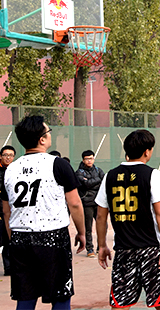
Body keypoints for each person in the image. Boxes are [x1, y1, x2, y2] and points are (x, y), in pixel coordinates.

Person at [1, 116, 86, 309]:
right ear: (42, 139)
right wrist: (81, 232)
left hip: (20, 237)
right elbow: (74, 203)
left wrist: (14, 238)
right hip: (53, 237)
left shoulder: (11, 169)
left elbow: (6, 211)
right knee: (60, 295)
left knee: (25, 296)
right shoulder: (58, 164)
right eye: (49, 132)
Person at [95, 129, 160, 310]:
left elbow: (100, 216)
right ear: (147, 151)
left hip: (123, 249)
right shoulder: (153, 175)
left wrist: (102, 245)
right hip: (151, 250)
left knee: (121, 304)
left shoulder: (109, 176)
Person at [76, 149, 105, 258]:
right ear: (83, 160)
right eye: (87, 159)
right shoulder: (79, 172)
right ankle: (90, 249)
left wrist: (91, 182)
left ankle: (100, 247)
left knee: (102, 226)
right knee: (88, 227)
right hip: (87, 202)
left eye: (91, 158)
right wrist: (97, 180)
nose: (89, 160)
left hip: (98, 202)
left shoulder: (98, 170)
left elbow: (103, 182)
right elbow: (86, 184)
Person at [0, 145, 15, 276]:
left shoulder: (15, 171)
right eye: (5, 155)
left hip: (10, 212)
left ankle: (9, 267)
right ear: (0, 156)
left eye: (10, 155)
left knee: (8, 240)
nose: (8, 158)